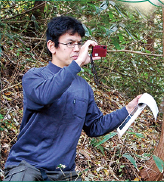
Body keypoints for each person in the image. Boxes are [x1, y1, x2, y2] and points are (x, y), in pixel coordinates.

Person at [3, 16, 141, 181]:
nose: (76, 49)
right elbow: (45, 96)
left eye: (79, 43)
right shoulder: (34, 76)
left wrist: (128, 110)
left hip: (64, 173)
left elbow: (94, 127)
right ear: (52, 46)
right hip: (28, 167)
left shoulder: (83, 87)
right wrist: (77, 65)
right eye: (70, 43)